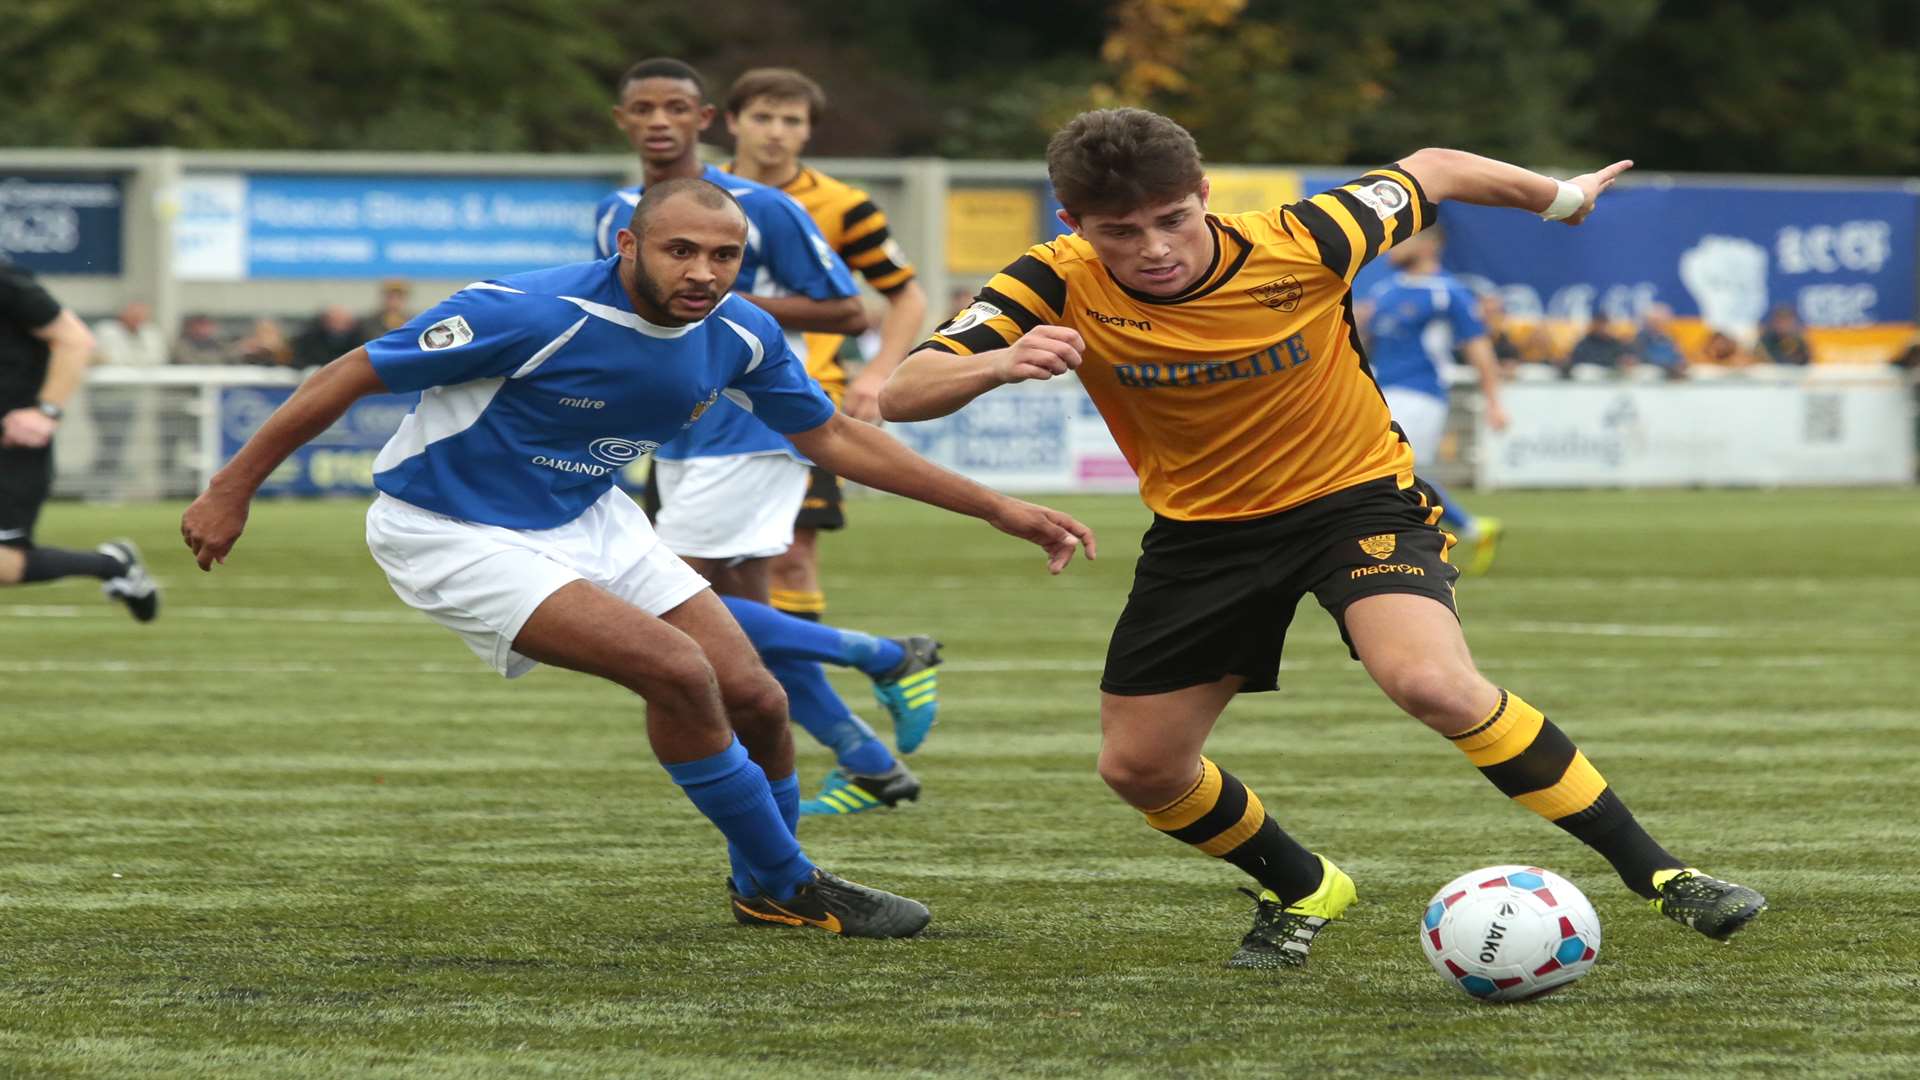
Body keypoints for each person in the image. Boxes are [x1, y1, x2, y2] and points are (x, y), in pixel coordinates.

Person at [882, 108, 1764, 969]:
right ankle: (1303, 886)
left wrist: (1561, 199)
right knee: (1140, 768)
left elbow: (1439, 165)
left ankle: (1661, 873)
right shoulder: (1054, 276)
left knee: (1432, 682)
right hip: (1204, 536)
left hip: (1355, 502)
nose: (1152, 247)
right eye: (1121, 231)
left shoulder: (1305, 238)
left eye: (1172, 219)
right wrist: (996, 360)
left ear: (1204, 196)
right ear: (1076, 223)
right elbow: (903, 390)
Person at [182, 178, 1094, 939]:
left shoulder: (740, 333)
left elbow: (839, 440)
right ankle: (790, 881)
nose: (703, 273)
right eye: (680, 252)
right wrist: (233, 488)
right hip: (451, 527)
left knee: (760, 697)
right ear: (629, 245)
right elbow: (346, 373)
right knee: (678, 672)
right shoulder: (529, 310)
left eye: (724, 256)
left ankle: (762, 888)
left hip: (592, 515)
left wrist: (1001, 510)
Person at [595, 58, 939, 817]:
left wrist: (712, 288)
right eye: (644, 108)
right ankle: (867, 761)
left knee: (666, 599)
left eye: (676, 108)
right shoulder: (616, 210)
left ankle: (885, 656)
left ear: (703, 120)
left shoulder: (763, 209)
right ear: (622, 121)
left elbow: (852, 311)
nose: (659, 121)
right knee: (735, 631)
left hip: (751, 426)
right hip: (679, 432)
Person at [721, 67, 930, 623]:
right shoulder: (698, 195)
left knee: (792, 556)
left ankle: (786, 692)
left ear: (808, 131)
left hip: (801, 397)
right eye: (762, 117)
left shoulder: (844, 205)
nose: (775, 132)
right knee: (703, 565)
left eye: (791, 121)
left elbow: (906, 296)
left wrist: (877, 373)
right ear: (731, 122)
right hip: (705, 400)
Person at [0, 260, 158, 620]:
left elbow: (75, 340)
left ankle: (112, 564)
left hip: (11, 447)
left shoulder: (7, 283)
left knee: (4, 563)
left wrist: (46, 412)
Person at [1357, 228, 1508, 575]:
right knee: (1402, 472)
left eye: (1402, 238)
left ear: (1429, 244)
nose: (1391, 246)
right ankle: (1470, 529)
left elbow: (1478, 347)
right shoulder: (1384, 291)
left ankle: (1407, 549)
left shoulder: (1447, 292)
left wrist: (1494, 402)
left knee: (1390, 470)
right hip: (1382, 392)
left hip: (1421, 393)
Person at [1627, 302, 1688, 379]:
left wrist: (1681, 363)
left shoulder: (1668, 339)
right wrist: (1671, 366)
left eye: (1662, 321)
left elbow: (1679, 358)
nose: (1659, 325)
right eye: (1655, 321)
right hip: (1651, 377)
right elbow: (1641, 358)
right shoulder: (1640, 339)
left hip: (1671, 375)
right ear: (1647, 322)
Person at [293, 305, 364, 370]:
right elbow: (300, 358)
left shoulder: (360, 341)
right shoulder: (309, 338)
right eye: (334, 320)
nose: (338, 325)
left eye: (342, 321)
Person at [1563, 313, 1633, 374]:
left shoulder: (1614, 343)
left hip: (1609, 376)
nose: (1601, 328)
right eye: (1599, 324)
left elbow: (1624, 358)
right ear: (1594, 325)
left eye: (1604, 325)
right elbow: (1575, 361)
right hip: (1589, 378)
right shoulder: (1585, 342)